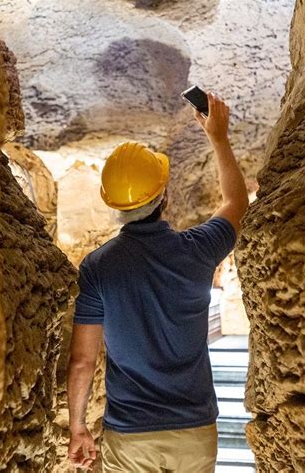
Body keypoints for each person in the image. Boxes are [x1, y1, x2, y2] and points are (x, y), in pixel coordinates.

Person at [67, 93, 249, 472]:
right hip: (194, 430)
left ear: (113, 205)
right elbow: (236, 201)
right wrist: (219, 138)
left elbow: (83, 362)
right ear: (165, 196)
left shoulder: (97, 268)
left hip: (131, 434)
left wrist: (77, 426)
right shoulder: (198, 250)